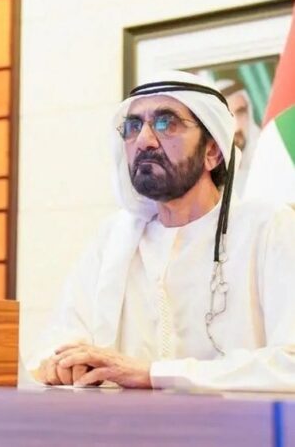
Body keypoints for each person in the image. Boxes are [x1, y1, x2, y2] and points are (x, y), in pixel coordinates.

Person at [27, 70, 295, 391]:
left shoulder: (269, 227)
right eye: (133, 126)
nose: (143, 140)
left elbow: (290, 362)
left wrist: (155, 373)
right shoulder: (113, 239)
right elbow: (60, 338)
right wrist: (64, 364)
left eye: (166, 123)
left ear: (212, 152)